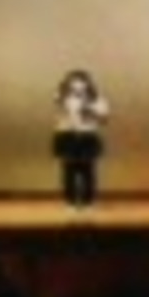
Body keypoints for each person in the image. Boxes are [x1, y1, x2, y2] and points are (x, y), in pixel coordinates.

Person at [53, 70, 110, 215]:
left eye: (81, 81)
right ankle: (70, 202)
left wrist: (89, 108)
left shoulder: (97, 98)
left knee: (88, 170)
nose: (78, 84)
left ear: (87, 83)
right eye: (74, 81)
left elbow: (104, 118)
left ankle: (88, 202)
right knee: (69, 170)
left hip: (87, 135)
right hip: (67, 134)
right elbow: (61, 114)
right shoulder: (61, 96)